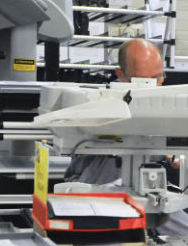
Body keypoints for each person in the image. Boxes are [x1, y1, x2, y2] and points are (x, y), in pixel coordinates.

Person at [63, 38, 166, 185]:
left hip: (147, 192)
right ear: (120, 75)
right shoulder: (96, 104)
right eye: (142, 81)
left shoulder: (170, 105)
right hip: (95, 190)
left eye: (157, 78)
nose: (151, 87)